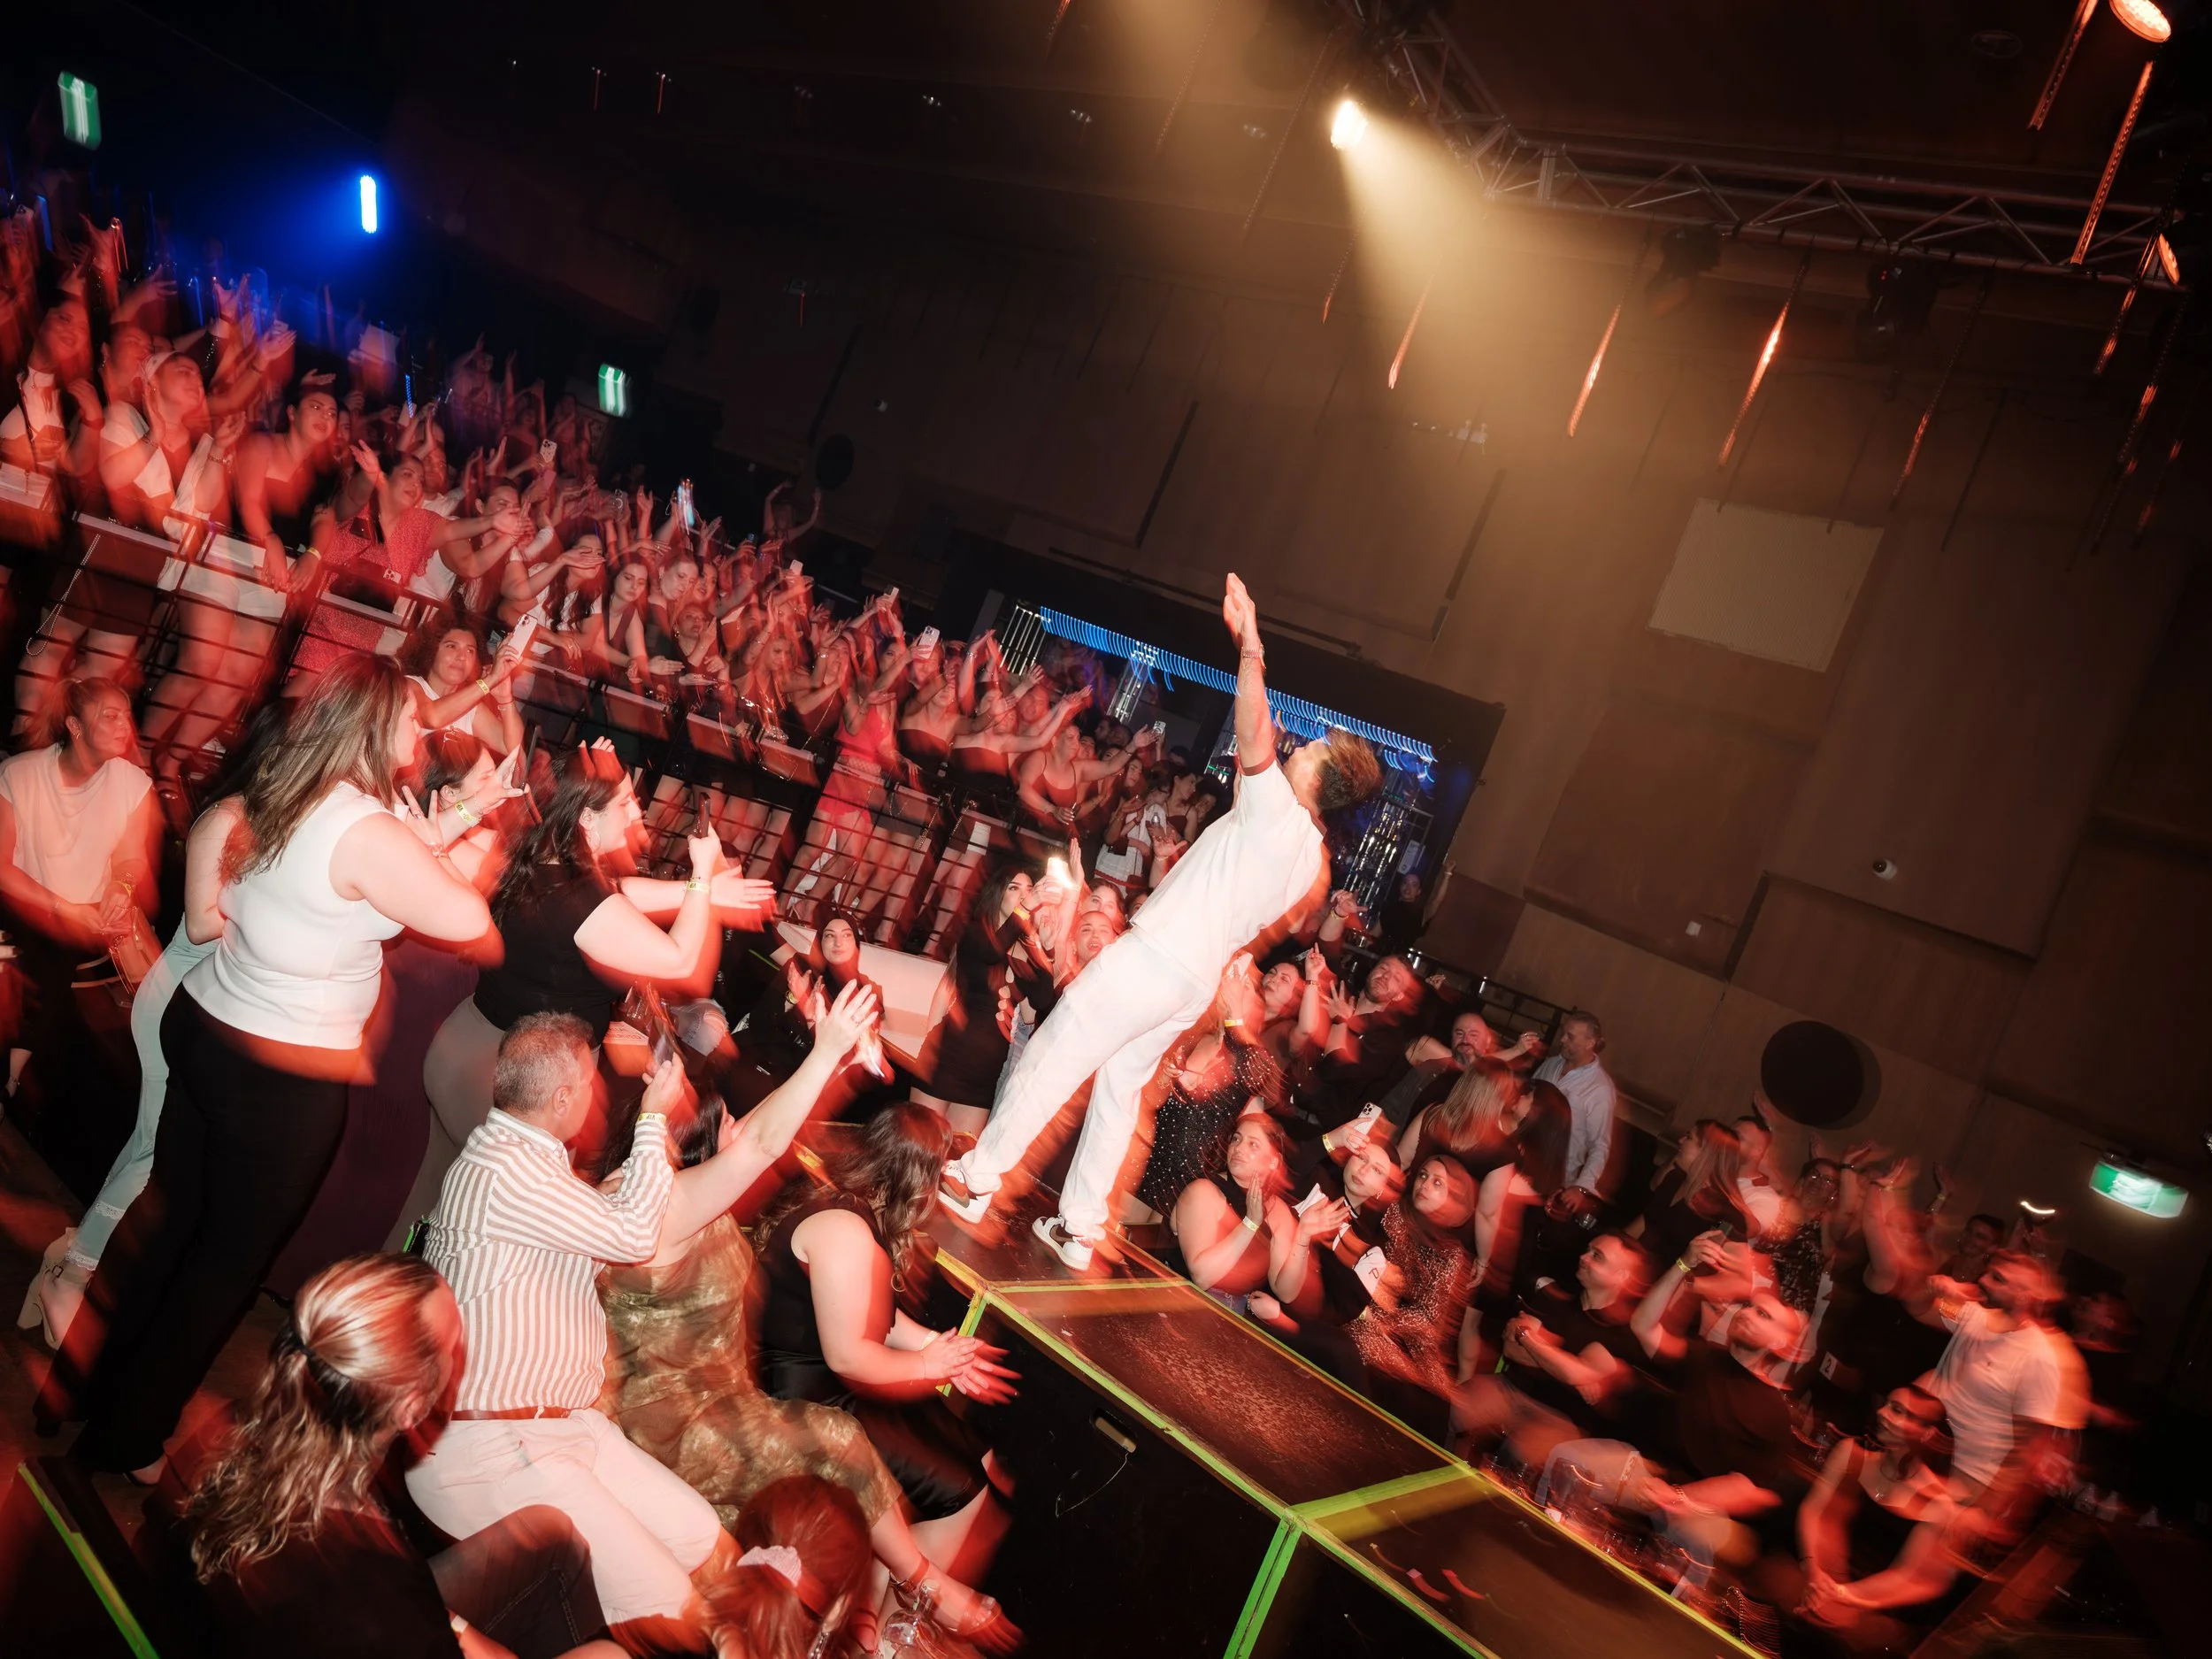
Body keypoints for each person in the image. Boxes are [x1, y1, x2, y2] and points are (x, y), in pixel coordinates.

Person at [65, 656, 495, 1479]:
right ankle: (124, 1441)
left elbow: (328, 893)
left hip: (209, 1026)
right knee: (223, 1265)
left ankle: (85, 1395)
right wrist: (439, 843)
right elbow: (467, 916)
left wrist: (430, 831)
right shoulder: (365, 827)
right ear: (375, 725)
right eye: (412, 717)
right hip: (278, 1074)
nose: (423, 729)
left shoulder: (286, 787)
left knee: (170, 1227)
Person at [942, 573, 1381, 1267]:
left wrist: (1251, 646)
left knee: (1059, 1048)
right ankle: (1081, 1227)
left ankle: (977, 1178)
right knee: (1119, 1089)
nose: (1301, 747)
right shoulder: (1310, 858)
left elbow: (1253, 730)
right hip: (1187, 981)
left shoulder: (1280, 815)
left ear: (1319, 780)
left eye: (1315, 751)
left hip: (1158, 958)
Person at [597, 988, 1008, 1650]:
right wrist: (825, 1055)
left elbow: (761, 1131)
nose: (740, 1124)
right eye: (727, 1119)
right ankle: (926, 1584)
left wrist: (835, 1065)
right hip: (675, 1420)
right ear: (691, 1138)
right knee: (840, 1439)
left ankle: (850, 1626)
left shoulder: (677, 1188)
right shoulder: (662, 1207)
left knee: (850, 1496)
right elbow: (760, 1142)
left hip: (722, 1394)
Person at [406, 1020, 726, 1634]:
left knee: (701, 1537)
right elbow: (632, 1236)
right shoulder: (506, 1170)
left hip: (562, 1426)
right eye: (588, 1080)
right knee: (671, 1608)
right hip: (490, 1444)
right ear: (561, 1098)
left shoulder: (526, 1161)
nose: (597, 1091)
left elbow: (598, 1234)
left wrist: (645, 1161)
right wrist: (653, 1120)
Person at [149, 1252, 623, 1659]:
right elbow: (379, 1605)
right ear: (409, 1407)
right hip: (356, 1625)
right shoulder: (375, 1585)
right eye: (452, 1344)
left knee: (549, 1532)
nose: (461, 1351)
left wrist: (453, 1624)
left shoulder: (237, 1425)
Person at [419, 749, 768, 1187]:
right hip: (508, 1083)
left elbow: (621, 892)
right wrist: (700, 875)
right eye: (624, 803)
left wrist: (704, 892)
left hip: (470, 1052)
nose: (636, 812)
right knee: (499, 1214)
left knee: (434, 1192)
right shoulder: (581, 900)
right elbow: (680, 960)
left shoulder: (538, 855)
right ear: (586, 818)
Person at [753, 1106, 1020, 1653]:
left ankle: (876, 1603)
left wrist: (937, 1349)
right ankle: (894, 1632)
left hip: (836, 1382)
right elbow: (849, 1356)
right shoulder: (845, 1230)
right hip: (808, 1401)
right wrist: (929, 1366)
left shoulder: (857, 1205)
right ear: (920, 1180)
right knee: (963, 1494)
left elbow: (875, 1316)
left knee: (984, 1458)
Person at [0, 677, 159, 1189]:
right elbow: (2, 867)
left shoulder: (131, 782)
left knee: (132, 965)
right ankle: (13, 1077)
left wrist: (121, 887)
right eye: (109, 715)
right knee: (52, 944)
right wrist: (63, 907)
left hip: (87, 913)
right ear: (74, 725)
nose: (124, 725)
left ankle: (15, 1079)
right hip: (29, 901)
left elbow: (131, 859)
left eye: (126, 714)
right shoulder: (21, 773)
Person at [1909, 1250, 2086, 1548]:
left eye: (1998, 1279)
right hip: (1927, 1455)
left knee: (1923, 1559)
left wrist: (1988, 1511)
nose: (1984, 1280)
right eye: (1988, 1272)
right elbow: (1917, 1306)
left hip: (1968, 1481)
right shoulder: (1974, 1315)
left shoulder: (2040, 1355)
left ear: (2023, 1296)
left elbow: (2030, 1449)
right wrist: (1933, 1287)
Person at [1773, 1384, 1962, 1653]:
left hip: (1875, 1606)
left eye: (1898, 1411)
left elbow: (1912, 1579)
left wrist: (1846, 1598)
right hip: (1825, 1578)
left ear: (1927, 1432)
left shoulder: (1938, 1503)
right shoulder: (1853, 1455)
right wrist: (1817, 1576)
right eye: (1887, 1404)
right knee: (1777, 1579)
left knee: (1848, 1637)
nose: (1882, 1413)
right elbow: (1820, 1516)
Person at [1450, 1232, 1651, 1469]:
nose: (1584, 1257)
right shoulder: (1555, 1294)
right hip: (1510, 1388)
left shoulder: (1621, 1333)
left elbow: (1576, 1373)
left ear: (1621, 1276)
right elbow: (1512, 1350)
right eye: (1588, 1250)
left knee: (1521, 1456)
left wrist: (1528, 1337)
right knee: (1458, 1407)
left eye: (1597, 1256)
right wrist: (1566, 1365)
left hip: (1559, 1417)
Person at [1167, 1110, 1297, 1301]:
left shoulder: (1277, 1209)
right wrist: (1250, 1224)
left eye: (1253, 1144)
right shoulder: (1204, 1191)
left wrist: (1303, 1237)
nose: (1238, 1148)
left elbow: (1286, 1293)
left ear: (1273, 1162)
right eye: (1236, 1139)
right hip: (1181, 1300)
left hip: (1234, 1309)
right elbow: (1202, 1278)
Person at [1529, 1010, 1617, 1202]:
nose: (1562, 1040)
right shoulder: (1552, 1064)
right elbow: (1527, 1095)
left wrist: (1582, 1186)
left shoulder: (1600, 1089)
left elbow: (1600, 1144)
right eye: (1563, 1033)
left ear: (1590, 1042)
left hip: (1554, 1177)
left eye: (1570, 1036)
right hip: (1523, 1156)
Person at [405, 623, 527, 757]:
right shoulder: (409, 684)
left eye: (470, 651)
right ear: (431, 650)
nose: (462, 657)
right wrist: (491, 680)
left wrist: (505, 698)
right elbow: (432, 718)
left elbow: (513, 749)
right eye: (452, 646)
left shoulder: (471, 707)